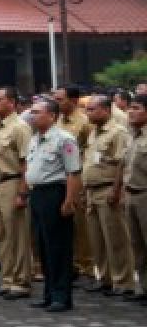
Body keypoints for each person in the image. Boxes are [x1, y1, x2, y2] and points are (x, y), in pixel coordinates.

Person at [26, 98, 83, 313]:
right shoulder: (34, 139)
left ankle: (61, 295)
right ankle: (49, 293)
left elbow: (73, 172)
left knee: (58, 246)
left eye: (37, 112)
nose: (32, 115)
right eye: (31, 112)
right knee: (43, 245)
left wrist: (69, 200)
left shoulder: (64, 139)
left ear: (52, 116)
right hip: (38, 194)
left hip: (56, 193)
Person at [0, 86, 33, 299]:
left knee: (17, 234)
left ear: (11, 102)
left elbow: (25, 162)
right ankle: (7, 278)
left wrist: (22, 192)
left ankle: (21, 281)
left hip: (10, 183)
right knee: (0, 234)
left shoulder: (20, 127)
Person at [81, 95, 134, 296]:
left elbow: (122, 163)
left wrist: (116, 190)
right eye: (88, 110)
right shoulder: (94, 133)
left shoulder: (117, 132)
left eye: (92, 109)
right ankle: (104, 277)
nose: (88, 113)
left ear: (105, 110)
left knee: (116, 238)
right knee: (97, 239)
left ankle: (123, 281)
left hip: (108, 189)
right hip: (92, 190)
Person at [55, 85, 94, 287]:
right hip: (58, 178)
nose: (57, 102)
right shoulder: (57, 121)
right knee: (64, 224)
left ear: (73, 100)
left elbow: (89, 151)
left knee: (80, 225)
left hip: (76, 177)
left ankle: (85, 265)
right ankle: (70, 264)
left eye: (60, 99)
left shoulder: (85, 123)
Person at [122, 94, 147, 303]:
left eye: (136, 108)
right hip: (131, 195)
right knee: (137, 245)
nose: (130, 111)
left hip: (145, 194)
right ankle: (144, 288)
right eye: (130, 108)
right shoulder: (131, 135)